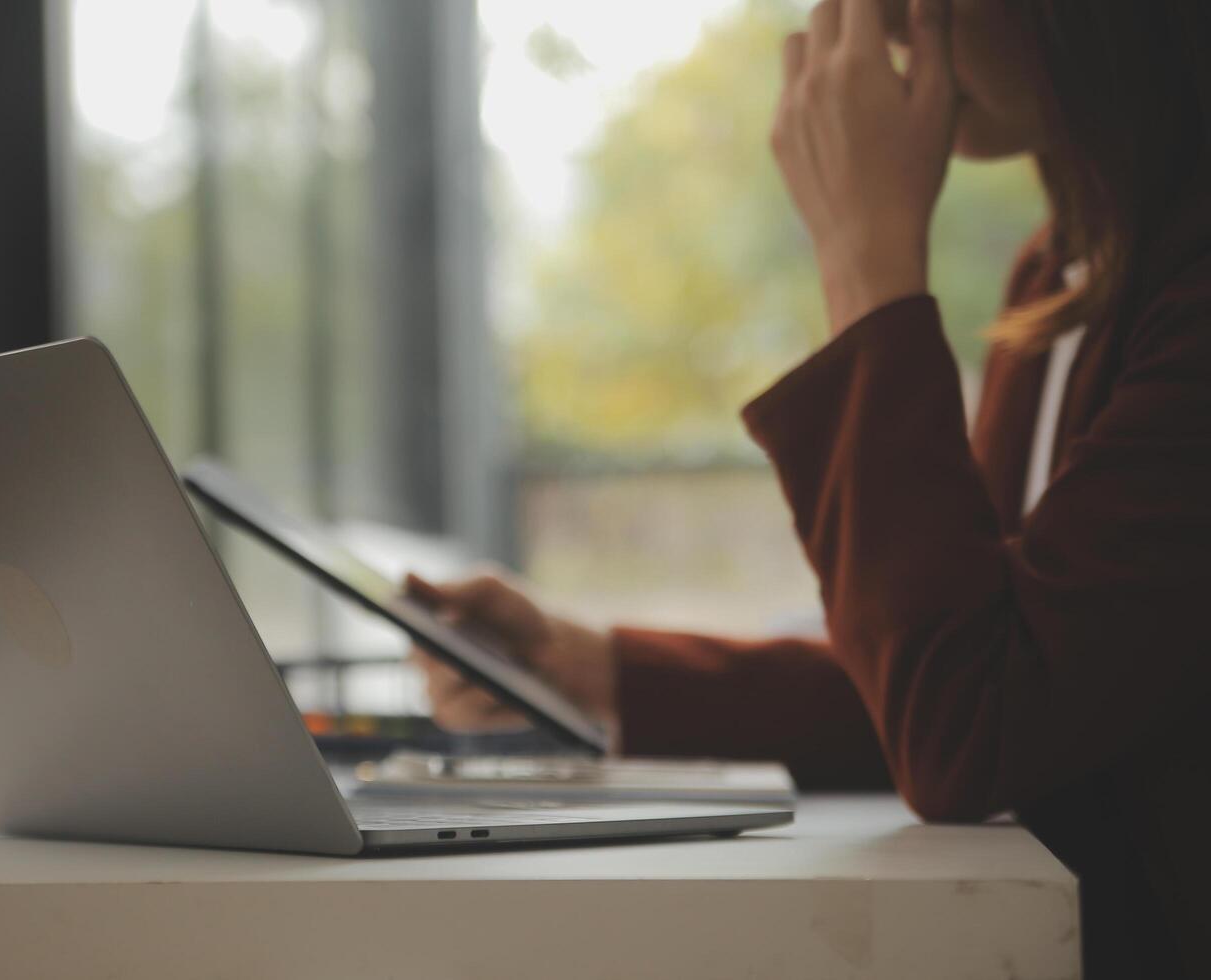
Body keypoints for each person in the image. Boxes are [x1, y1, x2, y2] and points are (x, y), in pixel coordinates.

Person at [409, 0, 1211, 976]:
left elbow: (968, 724)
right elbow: (972, 665)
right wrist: (594, 669)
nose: (876, 21)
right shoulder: (1059, 272)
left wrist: (866, 258)